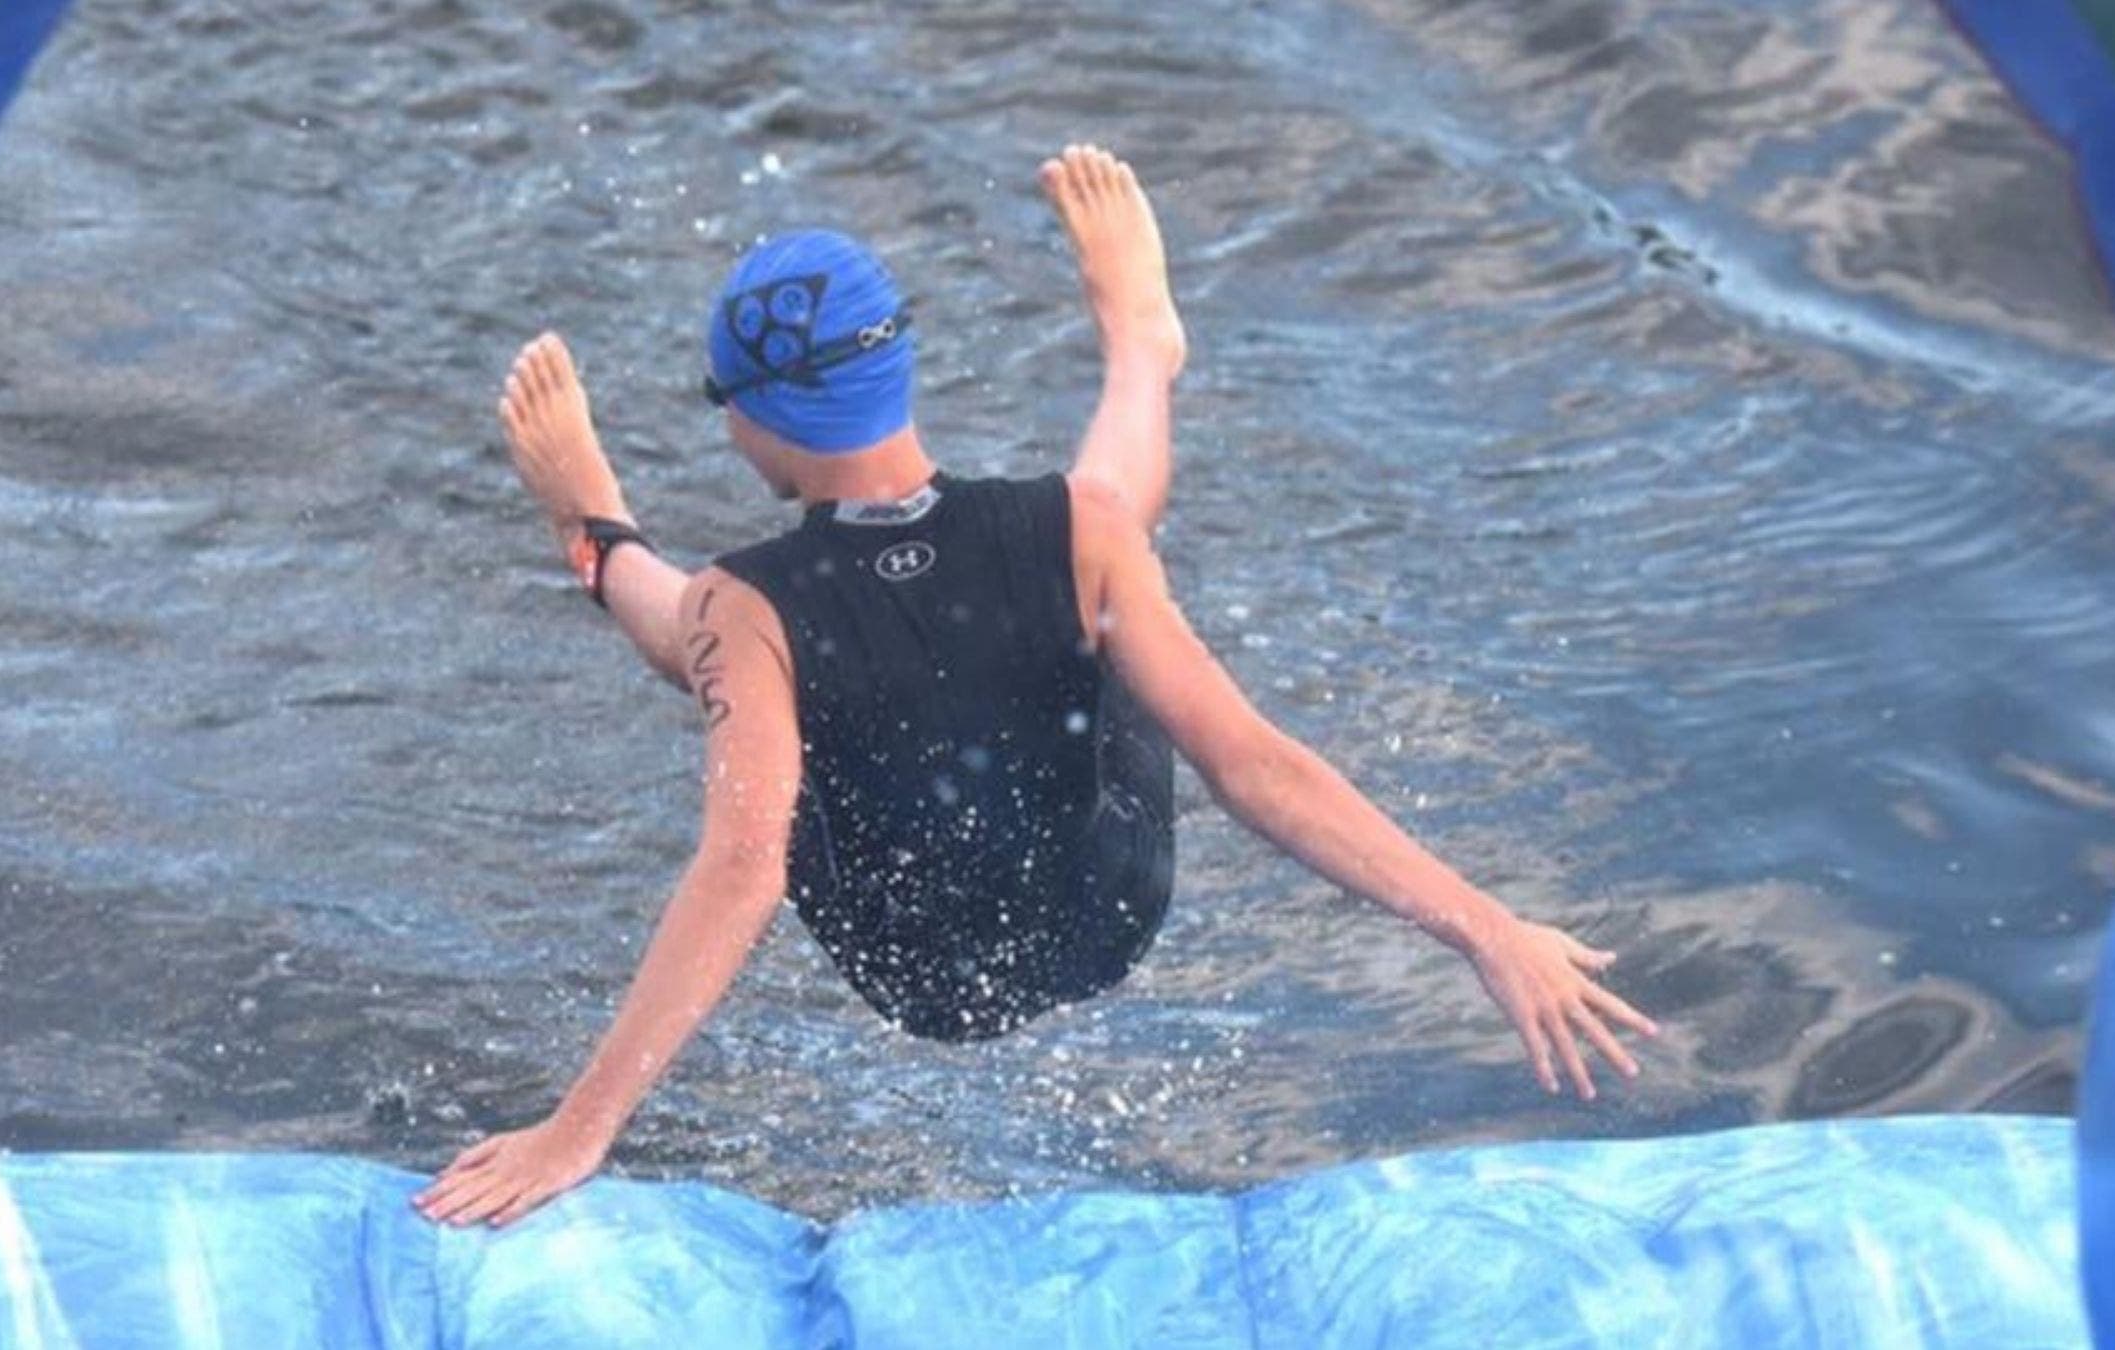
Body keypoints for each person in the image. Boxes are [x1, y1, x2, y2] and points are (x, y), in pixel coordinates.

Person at [416, 145, 1657, 1229]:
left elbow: (743, 864)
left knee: (714, 635)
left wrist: (578, 1132)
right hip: (1108, 908)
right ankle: (1141, 350)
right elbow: (1251, 764)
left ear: (758, 421)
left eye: (723, 411)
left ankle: (598, 538)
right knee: (1103, 545)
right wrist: (1489, 930)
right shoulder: (1073, 531)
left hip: (906, 965)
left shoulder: (745, 600)